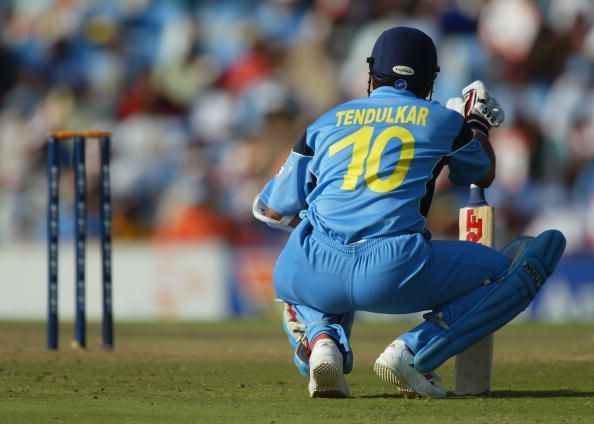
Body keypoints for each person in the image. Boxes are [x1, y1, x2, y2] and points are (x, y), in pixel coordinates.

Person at [252, 27, 566, 398]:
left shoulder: (325, 121)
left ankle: (323, 340)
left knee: (298, 277)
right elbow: (481, 173)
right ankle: (412, 350)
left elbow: (268, 210)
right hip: (393, 267)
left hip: (311, 265)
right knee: (505, 271)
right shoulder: (442, 120)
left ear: (372, 74)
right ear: (429, 80)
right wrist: (476, 124)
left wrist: (329, 226)